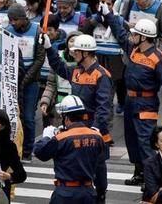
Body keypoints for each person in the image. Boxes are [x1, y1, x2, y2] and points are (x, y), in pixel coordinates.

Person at [101, 3, 162, 187]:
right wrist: (109, 15)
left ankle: (151, 179)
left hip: (146, 102)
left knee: (145, 142)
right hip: (131, 100)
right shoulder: (134, 49)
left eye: (135, 34)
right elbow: (121, 34)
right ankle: (139, 172)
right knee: (132, 139)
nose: (131, 36)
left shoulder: (158, 58)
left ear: (143, 37)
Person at [40, 33, 112, 202]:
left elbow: (104, 106)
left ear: (85, 53)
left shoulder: (101, 75)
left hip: (93, 125)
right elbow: (58, 66)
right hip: (77, 124)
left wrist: (97, 127)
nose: (73, 54)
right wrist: (49, 48)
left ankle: (100, 194)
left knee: (98, 165)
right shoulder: (76, 71)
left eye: (76, 51)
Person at [34, 95, 105, 204]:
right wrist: (100, 194)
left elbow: (40, 153)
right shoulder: (97, 136)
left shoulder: (61, 138)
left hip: (65, 194)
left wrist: (46, 137)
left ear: (66, 118)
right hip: (88, 193)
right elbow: (101, 169)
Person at [6, 4, 45, 162]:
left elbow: (40, 58)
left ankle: (28, 150)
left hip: (31, 80)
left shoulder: (37, 31)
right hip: (13, 78)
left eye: (16, 19)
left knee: (28, 117)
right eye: (11, 20)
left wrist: (26, 78)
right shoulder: (8, 31)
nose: (13, 23)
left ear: (24, 18)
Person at [39, 30, 82, 127]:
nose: (73, 44)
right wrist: (45, 102)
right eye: (71, 41)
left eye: (76, 41)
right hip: (59, 105)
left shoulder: (86, 64)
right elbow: (51, 84)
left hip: (78, 108)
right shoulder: (59, 58)